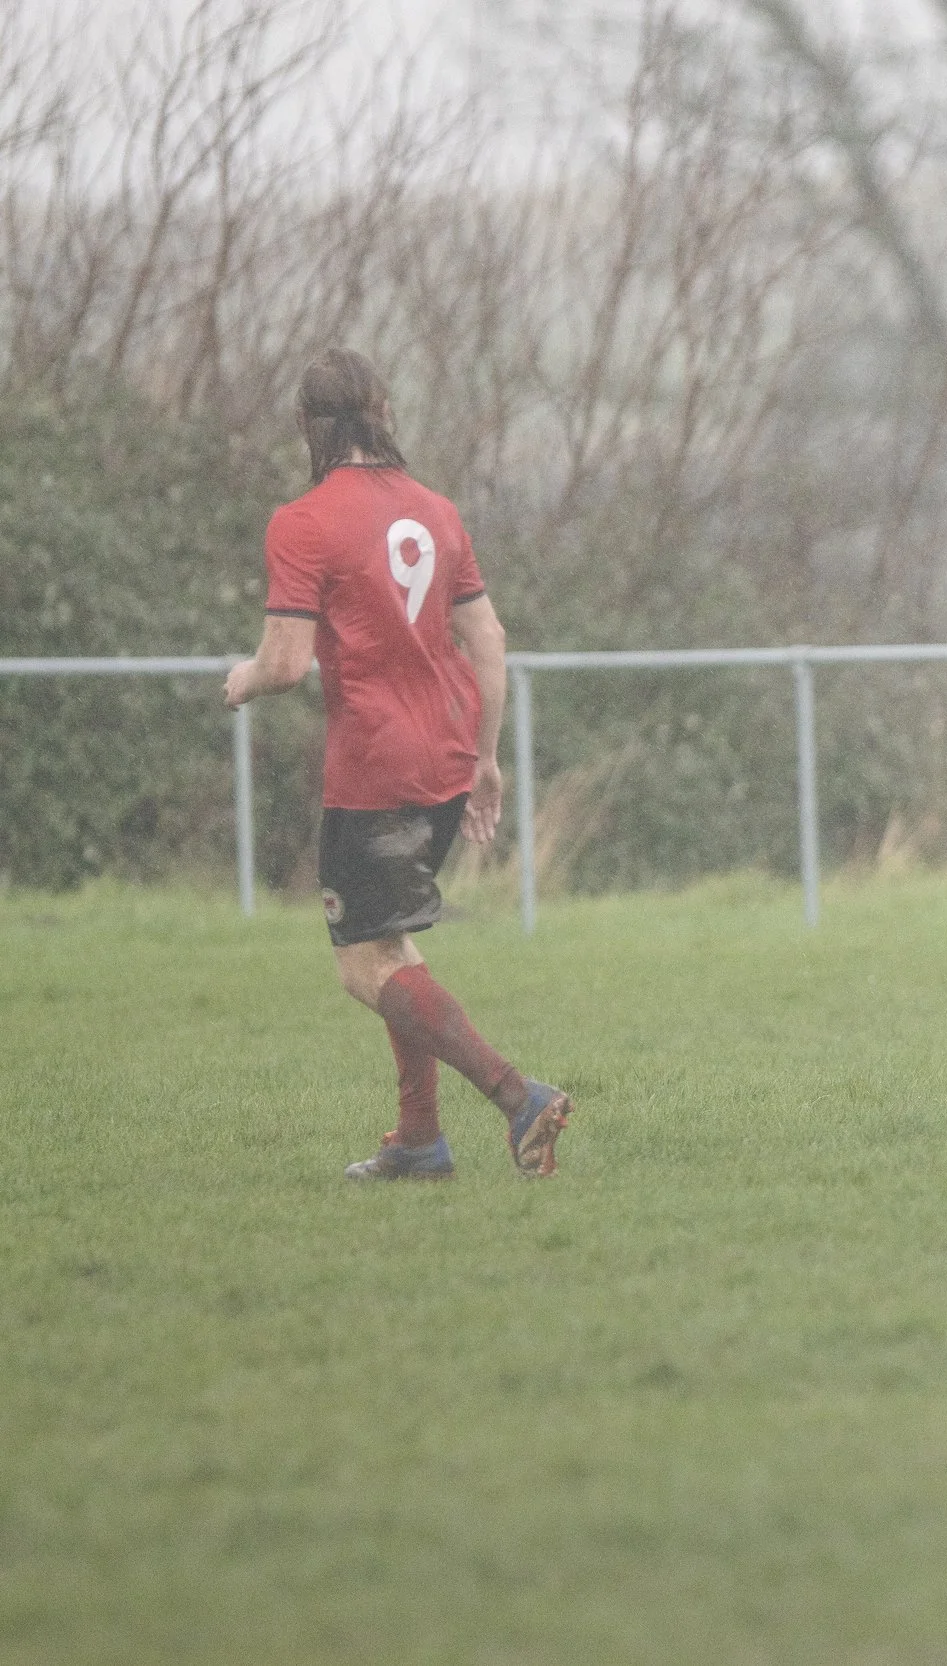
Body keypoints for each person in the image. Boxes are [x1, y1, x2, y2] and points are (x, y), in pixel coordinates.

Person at [224, 348, 572, 1181]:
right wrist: (486, 758)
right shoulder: (439, 511)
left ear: (309, 424)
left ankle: (518, 1096)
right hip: (450, 753)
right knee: (395, 948)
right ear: (384, 411)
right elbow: (488, 639)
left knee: (363, 966)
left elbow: (281, 663)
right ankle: (419, 1142)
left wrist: (238, 682)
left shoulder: (303, 521)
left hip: (376, 765)